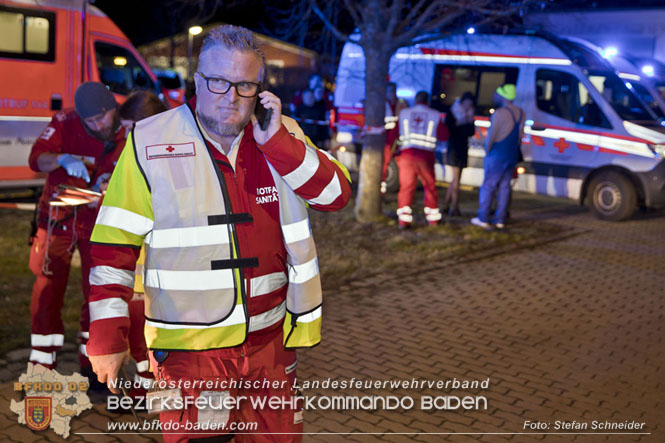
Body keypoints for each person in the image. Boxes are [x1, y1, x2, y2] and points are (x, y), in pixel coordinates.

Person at [86, 25, 351, 441]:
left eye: (244, 84)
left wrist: (277, 142)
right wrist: (106, 335)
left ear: (259, 88)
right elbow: (112, 248)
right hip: (191, 352)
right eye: (218, 82)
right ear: (197, 79)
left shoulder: (282, 133)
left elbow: (336, 195)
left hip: (271, 343)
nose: (230, 96)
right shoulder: (150, 140)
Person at [26, 82, 125, 375]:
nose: (97, 125)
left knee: (97, 292)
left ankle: (92, 364)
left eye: (101, 117)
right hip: (57, 218)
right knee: (47, 290)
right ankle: (42, 364)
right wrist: (61, 159)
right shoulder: (64, 121)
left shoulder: (129, 128)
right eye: (90, 121)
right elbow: (36, 159)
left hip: (99, 222)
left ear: (113, 109)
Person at [117, 90, 168, 401]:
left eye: (128, 127)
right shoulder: (141, 152)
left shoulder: (160, 158)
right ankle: (144, 394)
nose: (124, 135)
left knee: (148, 344)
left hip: (153, 277)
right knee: (140, 344)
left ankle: (150, 397)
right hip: (140, 275)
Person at [471, 84, 524, 230]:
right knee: (504, 187)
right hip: (511, 154)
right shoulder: (520, 112)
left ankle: (483, 217)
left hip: (497, 154)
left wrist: (487, 149)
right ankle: (500, 219)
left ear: (503, 96)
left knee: (489, 186)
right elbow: (520, 136)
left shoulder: (500, 113)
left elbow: (492, 136)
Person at [395, 90, 444, 228]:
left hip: (406, 155)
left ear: (415, 100)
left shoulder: (404, 113)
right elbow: (443, 135)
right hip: (425, 157)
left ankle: (403, 221)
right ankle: (433, 219)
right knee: (429, 186)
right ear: (427, 101)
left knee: (406, 187)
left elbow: (395, 133)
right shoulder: (435, 115)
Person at [443, 92, 476, 216]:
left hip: (462, 148)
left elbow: (471, 131)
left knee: (455, 179)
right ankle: (454, 207)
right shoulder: (453, 112)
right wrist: (460, 123)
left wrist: (467, 121)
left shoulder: (469, 114)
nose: (469, 106)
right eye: (468, 103)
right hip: (454, 148)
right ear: (463, 101)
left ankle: (446, 204)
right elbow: (449, 130)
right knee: (456, 179)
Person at [381, 82, 408, 194]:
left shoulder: (401, 103)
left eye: (393, 91)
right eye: (389, 91)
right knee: (385, 164)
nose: (392, 93)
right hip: (388, 140)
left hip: (399, 139)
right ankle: (381, 191)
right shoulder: (383, 104)